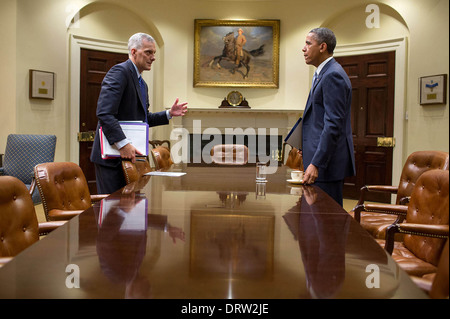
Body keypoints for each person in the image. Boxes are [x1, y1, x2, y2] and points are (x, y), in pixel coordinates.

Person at [90, 32, 188, 194]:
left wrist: (168, 113)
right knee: (111, 210)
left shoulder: (142, 84)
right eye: (148, 52)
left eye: (154, 53)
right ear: (134, 52)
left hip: (130, 158)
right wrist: (123, 144)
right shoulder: (119, 72)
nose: (153, 57)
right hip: (112, 158)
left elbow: (144, 118)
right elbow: (105, 113)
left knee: (128, 211)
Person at [299, 27, 355, 206]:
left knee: (325, 225)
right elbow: (317, 120)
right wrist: (304, 144)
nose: (304, 48)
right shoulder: (323, 73)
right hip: (320, 161)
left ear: (322, 47)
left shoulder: (333, 75)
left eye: (308, 43)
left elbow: (333, 124)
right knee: (313, 224)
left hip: (326, 165)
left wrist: (316, 163)